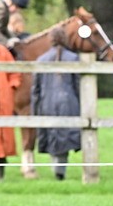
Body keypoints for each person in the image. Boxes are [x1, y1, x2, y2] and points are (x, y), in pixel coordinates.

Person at [32, 28, 82, 180]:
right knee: (64, 136)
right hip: (69, 102)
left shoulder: (41, 60)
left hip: (47, 102)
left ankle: (57, 169)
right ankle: (60, 170)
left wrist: (35, 109)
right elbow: (78, 85)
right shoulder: (74, 58)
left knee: (53, 135)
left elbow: (36, 89)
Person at [0, 39, 18, 180]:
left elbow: (14, 72)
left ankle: (0, 176)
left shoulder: (2, 52)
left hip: (3, 102)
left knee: (3, 141)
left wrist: (12, 86)